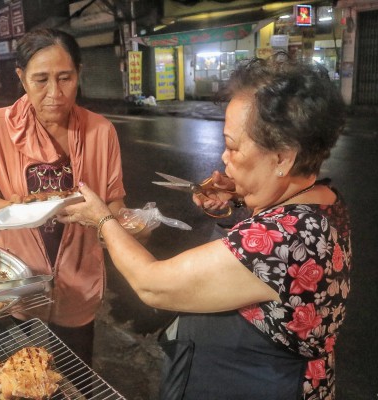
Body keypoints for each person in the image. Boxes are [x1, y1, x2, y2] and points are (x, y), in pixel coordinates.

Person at [60, 53, 351, 399]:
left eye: (232, 146)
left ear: (282, 157)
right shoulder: (322, 199)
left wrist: (103, 218)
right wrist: (239, 202)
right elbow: (264, 259)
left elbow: (153, 284)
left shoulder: (282, 239)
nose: (224, 158)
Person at [0, 28, 127, 366]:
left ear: (78, 74)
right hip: (19, 283)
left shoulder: (101, 131)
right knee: (21, 377)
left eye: (65, 78)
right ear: (21, 78)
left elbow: (113, 202)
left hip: (80, 281)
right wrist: (10, 209)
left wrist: (115, 222)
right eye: (41, 80)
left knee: (74, 372)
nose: (55, 93)